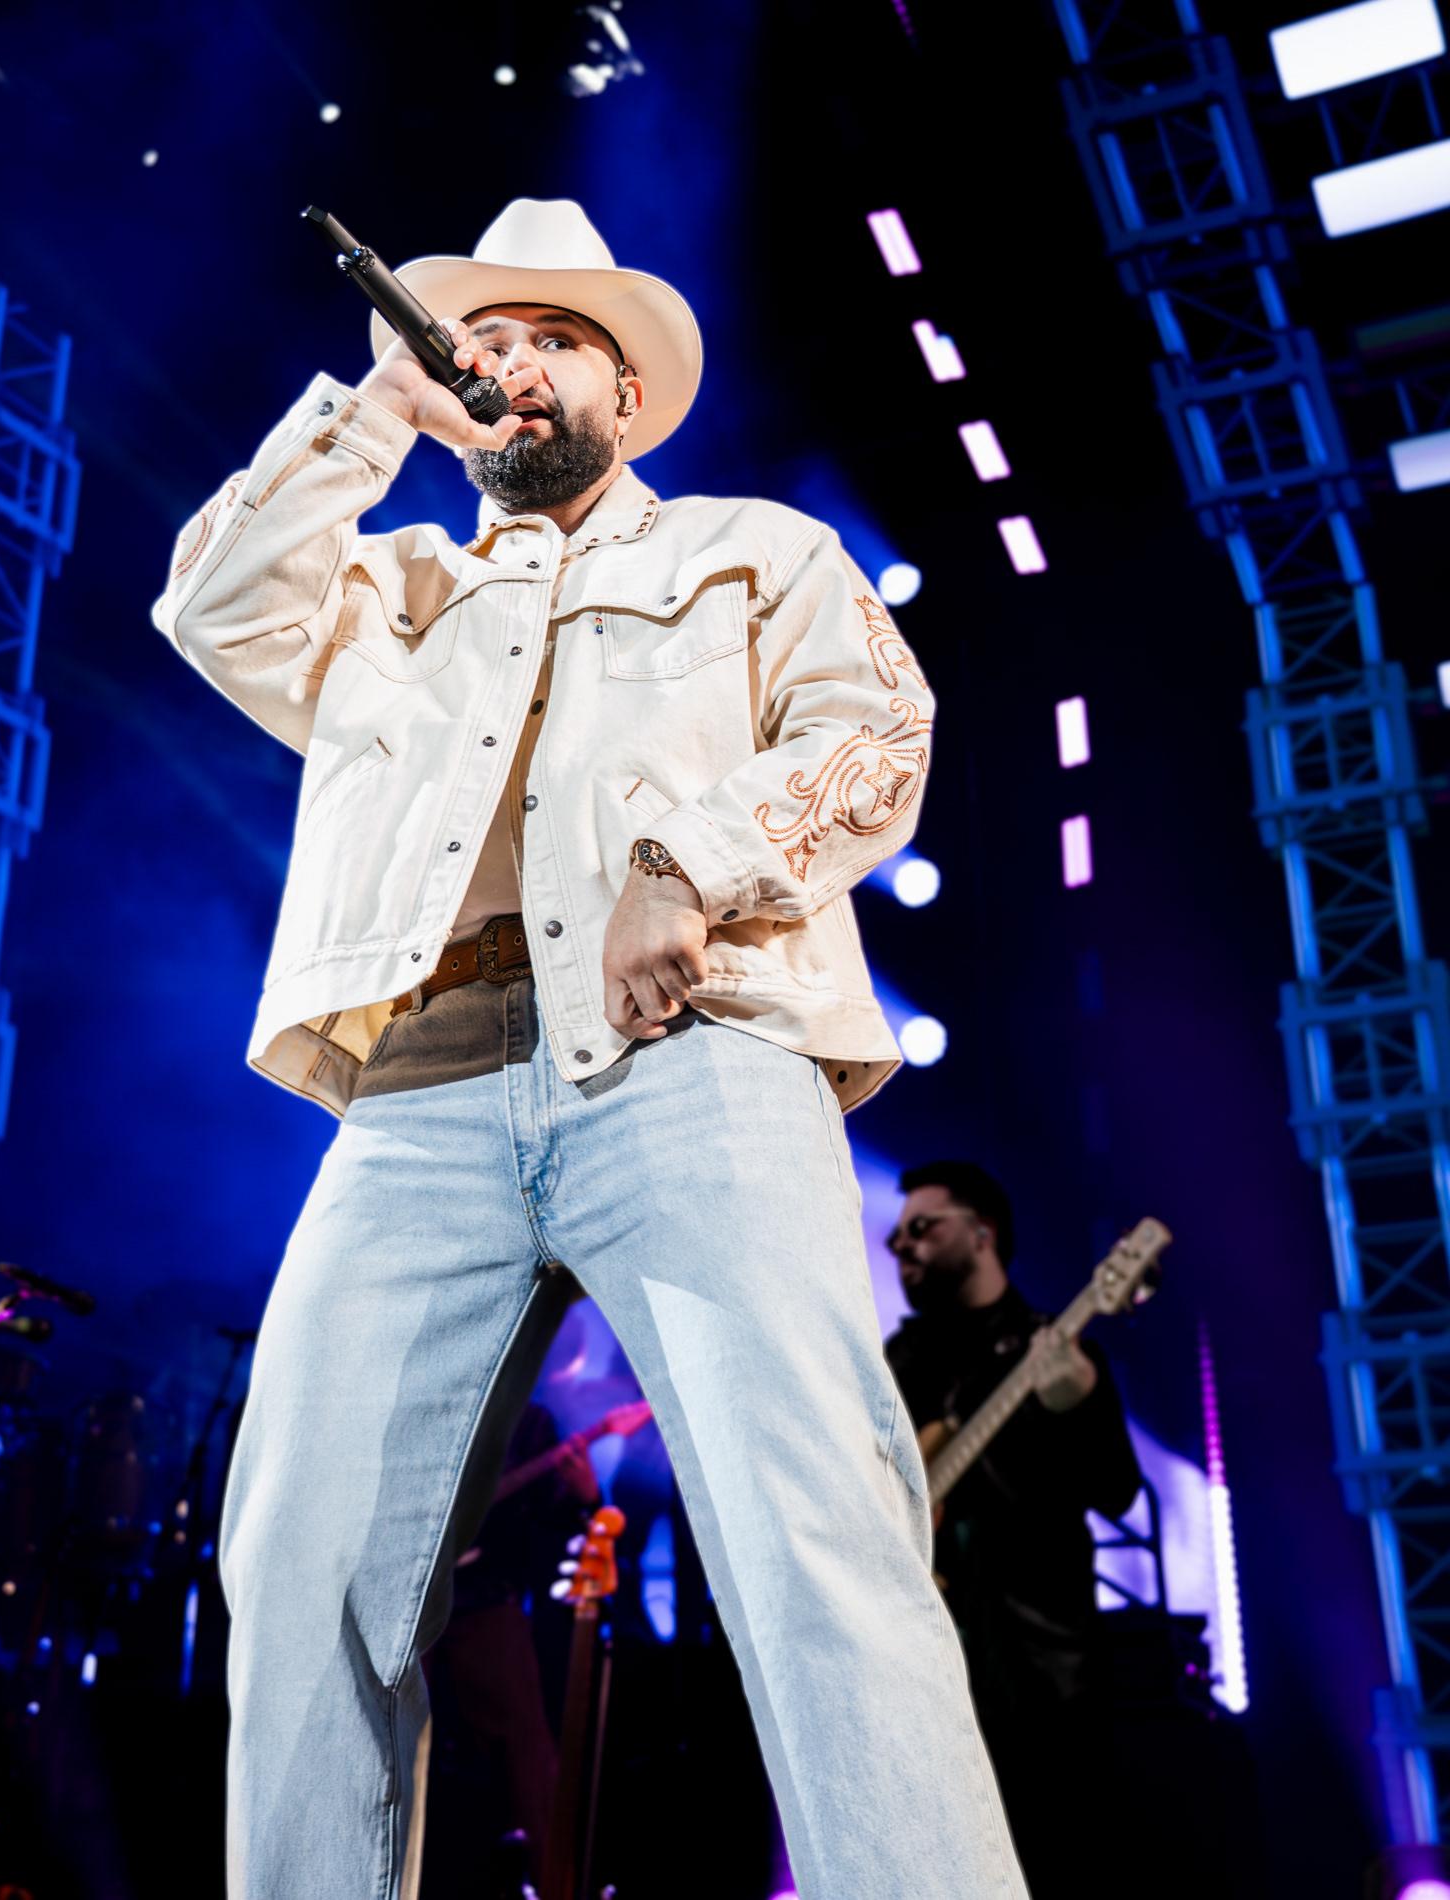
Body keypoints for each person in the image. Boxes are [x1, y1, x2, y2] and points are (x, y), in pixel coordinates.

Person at [153, 198, 1027, 1900]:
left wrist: (688, 863)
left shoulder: (755, 550)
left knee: (814, 1537)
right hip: (419, 1091)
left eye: (556, 340)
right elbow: (211, 611)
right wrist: (375, 416)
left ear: (628, 391)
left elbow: (878, 732)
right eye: (486, 340)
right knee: (302, 1561)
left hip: (692, 1059)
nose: (512, 364)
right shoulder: (386, 585)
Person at [884, 1160, 1143, 1899]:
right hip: (927, 1677)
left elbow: (1118, 1491)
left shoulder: (1055, 1348)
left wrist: (1077, 1405)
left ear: (983, 1233)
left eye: (922, 1228)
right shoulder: (895, 1364)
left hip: (1044, 1679)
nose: (902, 1245)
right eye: (897, 1236)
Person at [424, 1401, 599, 1892]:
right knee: (385, 1737)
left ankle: (553, 1885)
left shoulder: (527, 1419)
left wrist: (586, 1495)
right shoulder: (417, 1401)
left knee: (527, 1750)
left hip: (482, 1593)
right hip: (402, 1596)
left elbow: (553, 1508)